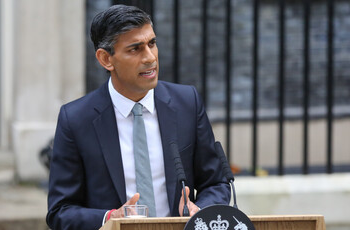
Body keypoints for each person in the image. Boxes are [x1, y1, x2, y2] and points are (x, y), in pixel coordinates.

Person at [46, 4, 231, 230]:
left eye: (152, 44)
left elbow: (216, 183)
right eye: (135, 49)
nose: (149, 57)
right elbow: (60, 211)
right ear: (106, 59)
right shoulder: (75, 119)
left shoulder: (187, 103)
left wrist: (199, 211)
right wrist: (111, 218)